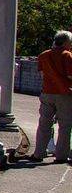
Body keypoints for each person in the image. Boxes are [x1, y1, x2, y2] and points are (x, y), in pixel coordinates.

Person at [30, 30, 72, 162]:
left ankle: (39, 153)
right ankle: (61, 156)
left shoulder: (43, 55)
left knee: (44, 123)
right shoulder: (67, 56)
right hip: (64, 94)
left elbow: (42, 74)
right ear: (66, 42)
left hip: (47, 93)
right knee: (65, 125)